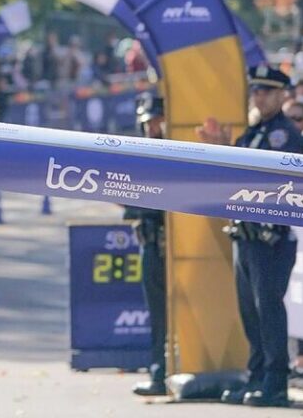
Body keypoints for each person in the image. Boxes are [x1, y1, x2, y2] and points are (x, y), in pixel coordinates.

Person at [197, 65, 303, 408]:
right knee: (251, 311)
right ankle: (257, 377)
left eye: (266, 91)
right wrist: (223, 148)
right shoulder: (254, 131)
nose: (258, 97)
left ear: (281, 95)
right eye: (255, 91)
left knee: (268, 309)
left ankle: (275, 382)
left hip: (269, 237)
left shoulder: (281, 134)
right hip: (245, 235)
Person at [124, 92, 167, 397]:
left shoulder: (176, 154)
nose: (152, 127)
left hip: (176, 246)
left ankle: (170, 369)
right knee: (157, 314)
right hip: (150, 242)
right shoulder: (140, 157)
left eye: (157, 120)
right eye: (147, 122)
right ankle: (158, 371)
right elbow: (129, 207)